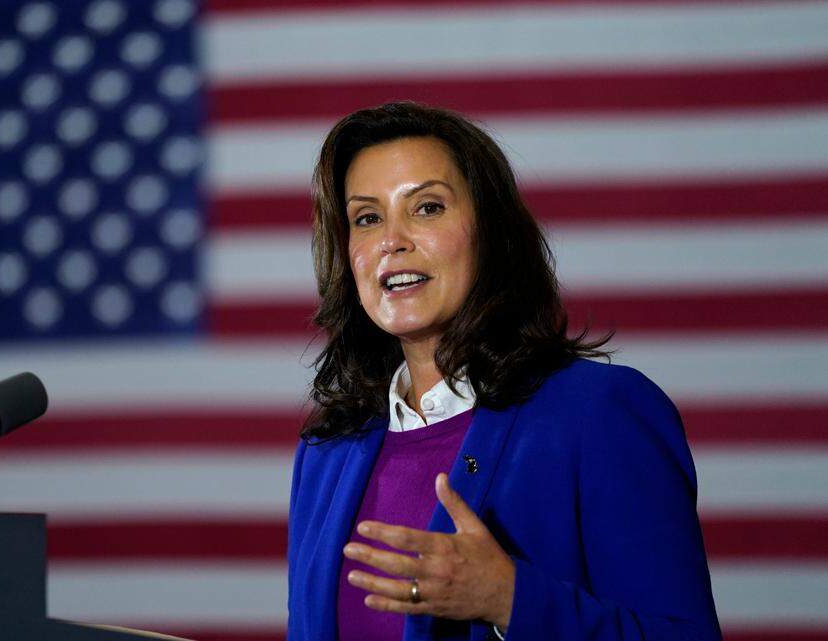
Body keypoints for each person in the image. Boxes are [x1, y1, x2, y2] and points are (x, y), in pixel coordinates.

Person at [286, 102, 722, 641]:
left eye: (426, 208)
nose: (391, 241)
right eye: (367, 218)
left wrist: (508, 599)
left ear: (492, 233)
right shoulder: (326, 450)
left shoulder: (597, 414)